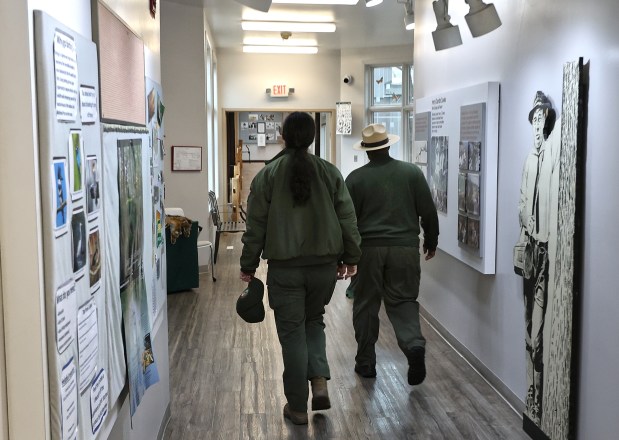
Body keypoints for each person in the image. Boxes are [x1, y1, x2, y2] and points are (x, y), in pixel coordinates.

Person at [239, 111, 361, 425]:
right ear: (311, 138)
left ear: (282, 135)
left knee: (292, 334)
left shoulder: (268, 175)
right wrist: (351, 257)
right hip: (324, 269)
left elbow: (256, 226)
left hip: (286, 269)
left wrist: (248, 265)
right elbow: (347, 219)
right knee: (314, 321)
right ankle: (318, 379)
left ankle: (297, 407)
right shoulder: (330, 172)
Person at [345, 123, 439, 386]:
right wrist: (431, 241)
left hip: (368, 250)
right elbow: (428, 211)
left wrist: (347, 257)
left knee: (366, 304)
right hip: (405, 249)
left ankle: (365, 362)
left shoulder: (355, 179)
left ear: (366, 150)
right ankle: (413, 346)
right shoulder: (411, 173)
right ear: (388, 145)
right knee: (403, 301)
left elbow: (347, 221)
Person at [515, 91, 559, 424]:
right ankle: (532, 393)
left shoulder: (553, 158)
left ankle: (539, 393)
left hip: (546, 251)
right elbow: (521, 199)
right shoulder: (531, 160)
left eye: (541, 118)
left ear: (548, 120)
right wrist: (526, 223)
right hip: (531, 247)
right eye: (533, 119)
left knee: (541, 331)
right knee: (530, 325)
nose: (536, 124)